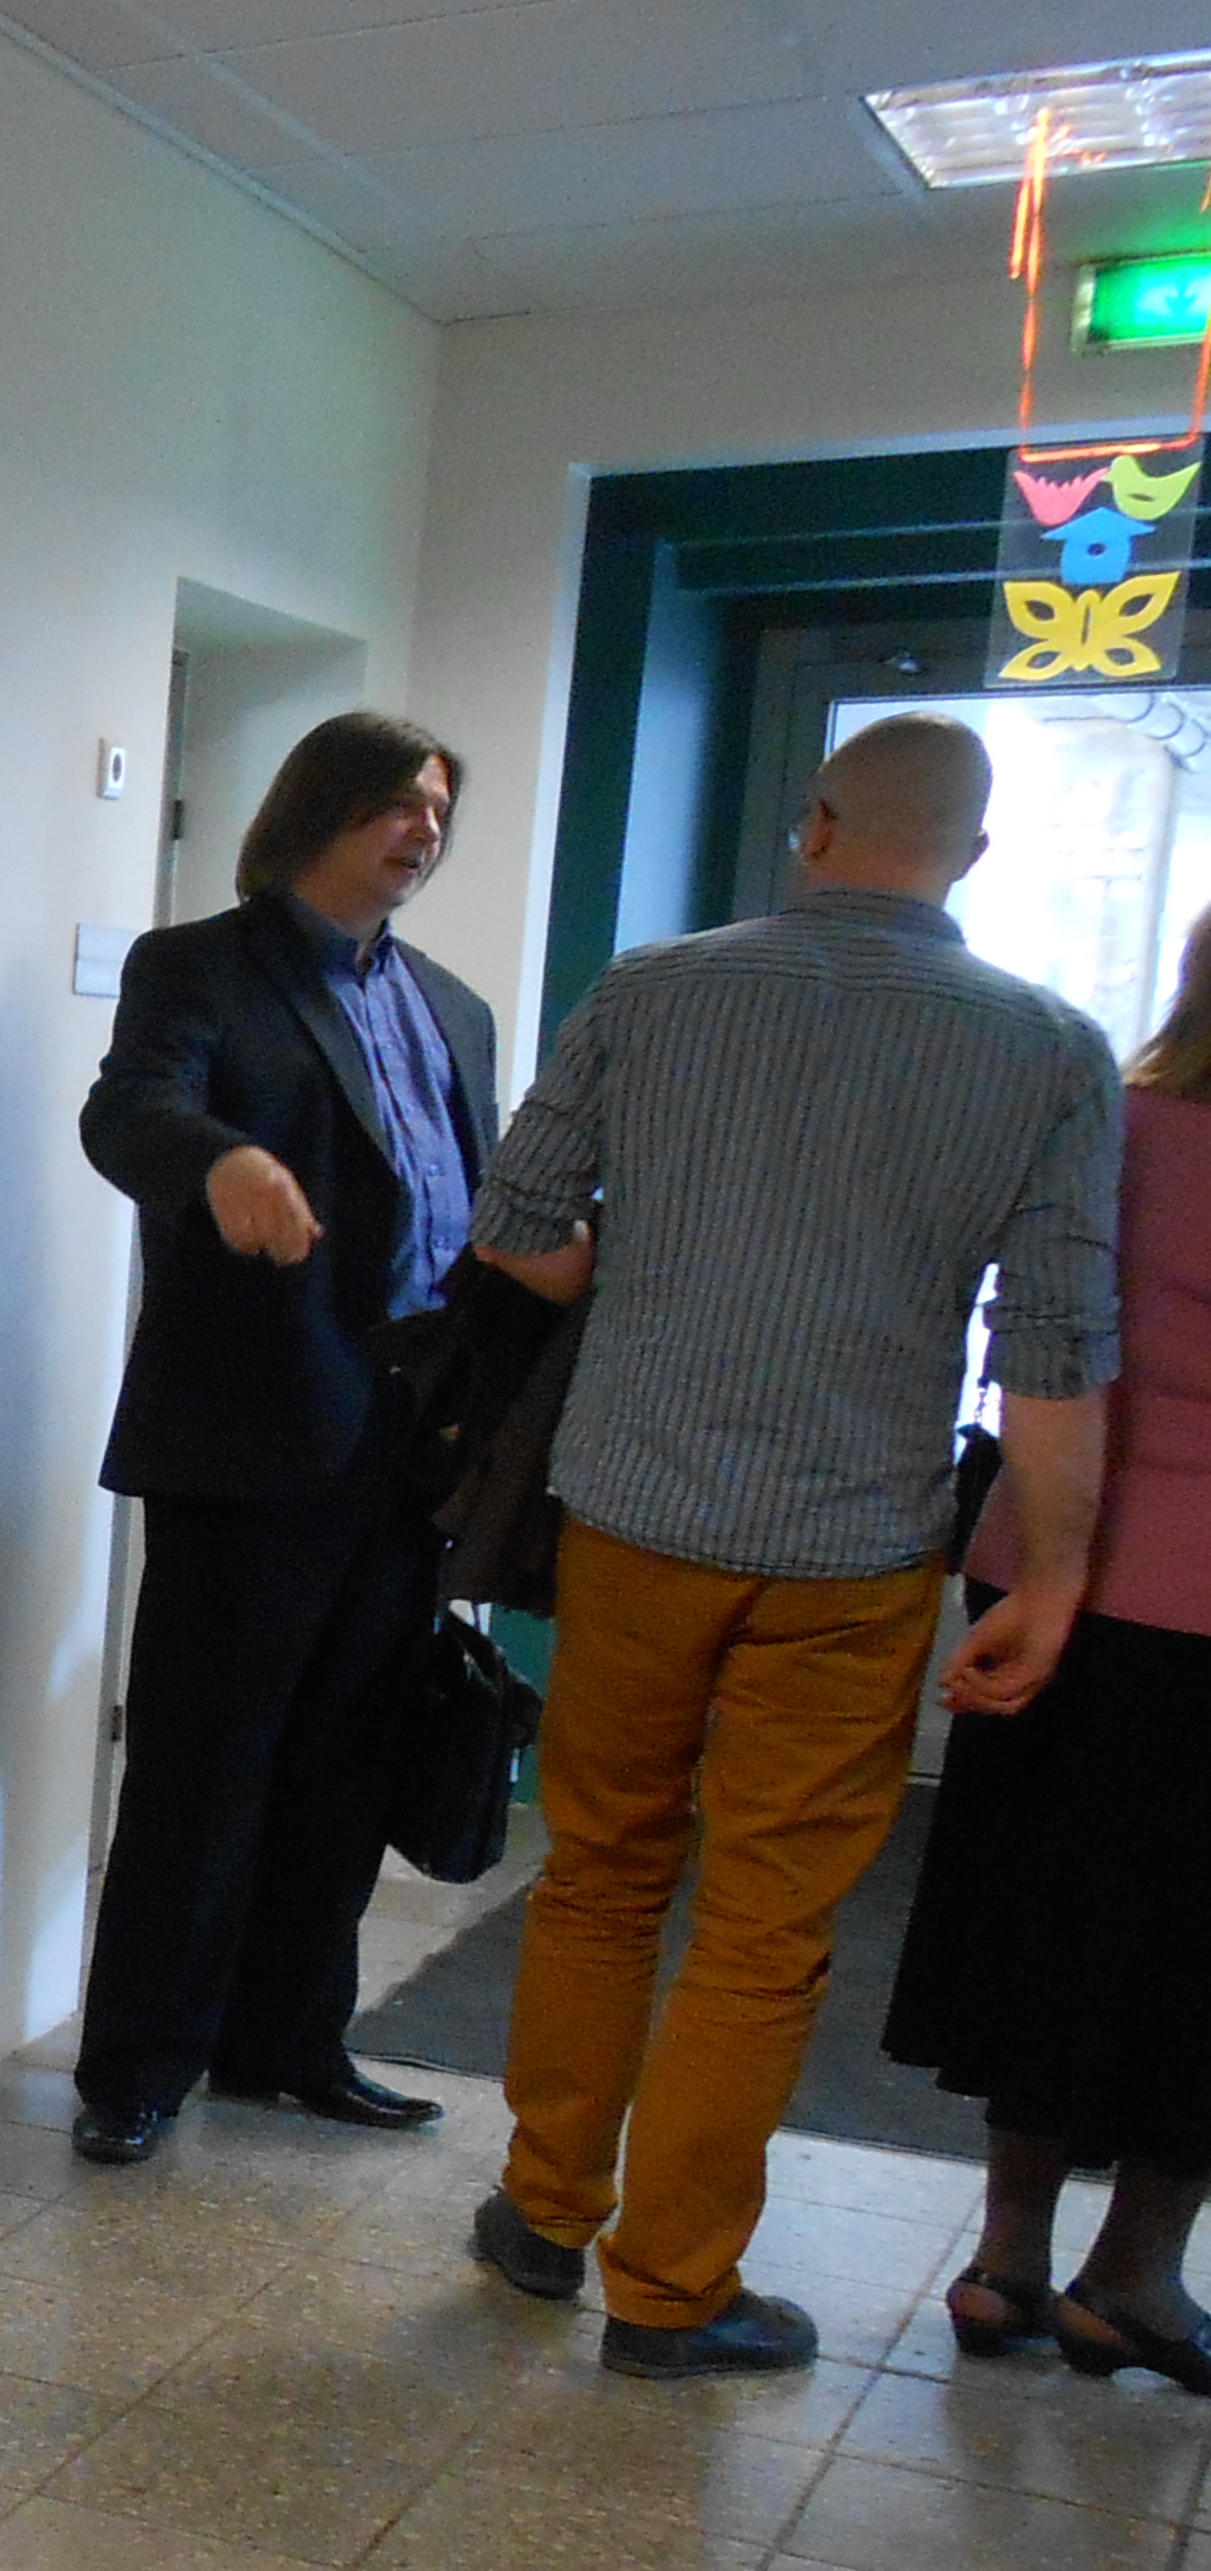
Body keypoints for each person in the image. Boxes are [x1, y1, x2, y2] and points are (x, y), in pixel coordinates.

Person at [467, 713, 1123, 2377]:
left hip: (638, 1510)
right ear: (973, 856)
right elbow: (1054, 1348)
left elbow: (515, 1223)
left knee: (602, 1872)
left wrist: (651, 1287)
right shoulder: (1051, 1051)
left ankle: (543, 2209)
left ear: (814, 826)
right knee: (765, 1927)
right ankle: (673, 2290)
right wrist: (1052, 1579)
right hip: (855, 1544)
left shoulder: (653, 990)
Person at [66, 713, 501, 2165]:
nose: (424, 831)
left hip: (414, 1432)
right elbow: (129, 1112)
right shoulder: (199, 965)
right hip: (253, 1429)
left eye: (438, 811)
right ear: (323, 807)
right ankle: (140, 2065)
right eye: (399, 804)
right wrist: (222, 1161)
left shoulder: (451, 1005)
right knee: (204, 1763)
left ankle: (291, 2043)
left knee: (348, 1762)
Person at [890, 901, 1211, 2381]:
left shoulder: (1110, 1129)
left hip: (1051, 1579)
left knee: (1050, 1926)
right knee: (1193, 1960)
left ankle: (1006, 2260)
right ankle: (1134, 2277)